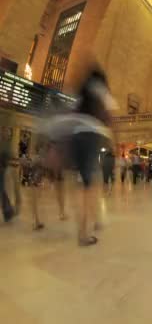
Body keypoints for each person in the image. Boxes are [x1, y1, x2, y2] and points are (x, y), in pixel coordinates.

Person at [43, 65, 115, 246]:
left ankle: (83, 230)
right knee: (92, 181)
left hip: (76, 134)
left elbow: (69, 115)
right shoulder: (101, 89)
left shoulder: (80, 94)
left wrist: (58, 146)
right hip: (92, 133)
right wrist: (112, 138)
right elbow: (109, 115)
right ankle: (91, 224)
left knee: (79, 184)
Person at [0, 125, 16, 223]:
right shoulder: (3, 143)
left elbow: (9, 157)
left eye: (9, 133)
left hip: (2, 170)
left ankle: (8, 212)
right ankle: (8, 212)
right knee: (1, 190)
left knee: (1, 190)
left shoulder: (6, 144)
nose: (9, 134)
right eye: (7, 132)